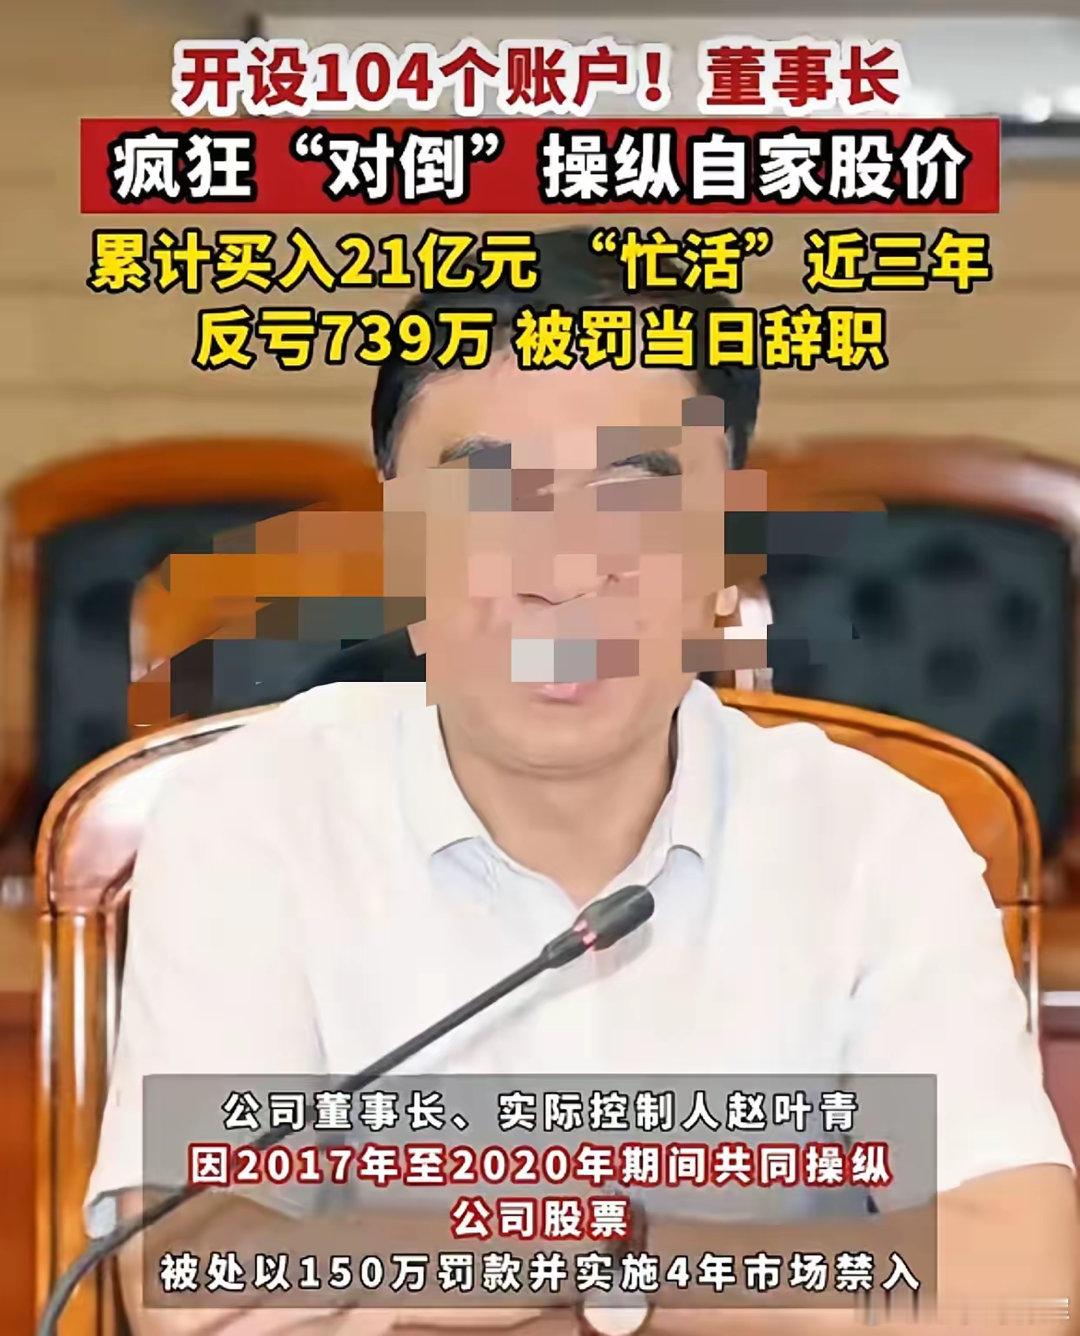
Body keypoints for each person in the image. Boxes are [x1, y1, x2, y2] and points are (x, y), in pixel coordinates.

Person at [86, 229, 1077, 1334]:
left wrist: (615, 1258)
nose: (562, 573)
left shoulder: (872, 837)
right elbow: (192, 1274)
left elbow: (1022, 1278)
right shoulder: (255, 816)